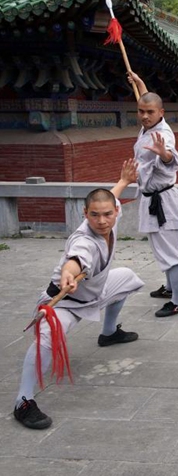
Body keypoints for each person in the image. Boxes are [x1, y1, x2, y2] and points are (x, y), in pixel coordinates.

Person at [13, 160, 145, 429]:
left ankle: (108, 333)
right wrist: (68, 273)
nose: (102, 220)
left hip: (95, 292)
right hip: (63, 302)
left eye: (107, 214)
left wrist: (123, 181)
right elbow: (76, 258)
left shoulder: (109, 214)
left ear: (116, 213)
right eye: (94, 215)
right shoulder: (83, 239)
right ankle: (23, 401)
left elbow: (112, 198)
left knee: (128, 279)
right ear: (85, 214)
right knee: (48, 339)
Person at [127, 73, 178, 318]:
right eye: (141, 111)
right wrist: (140, 82)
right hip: (152, 198)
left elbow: (171, 158)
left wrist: (164, 155)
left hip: (164, 200)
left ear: (161, 112)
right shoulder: (147, 127)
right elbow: (146, 99)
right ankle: (170, 287)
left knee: (172, 250)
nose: (144, 115)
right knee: (161, 247)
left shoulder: (162, 135)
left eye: (149, 112)